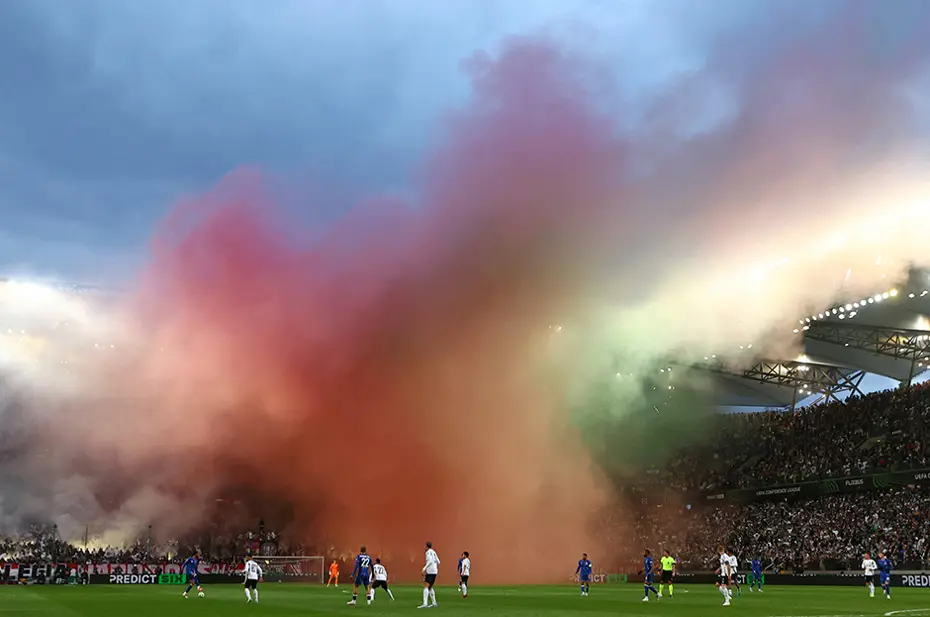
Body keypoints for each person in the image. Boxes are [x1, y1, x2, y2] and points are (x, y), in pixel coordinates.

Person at [418, 541, 440, 609]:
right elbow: (438, 561)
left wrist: (424, 568)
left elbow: (430, 561)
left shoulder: (428, 552)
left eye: (425, 546)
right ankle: (434, 603)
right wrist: (434, 566)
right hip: (435, 571)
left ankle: (425, 604)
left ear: (427, 546)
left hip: (430, 571)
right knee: (430, 587)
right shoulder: (433, 552)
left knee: (426, 586)